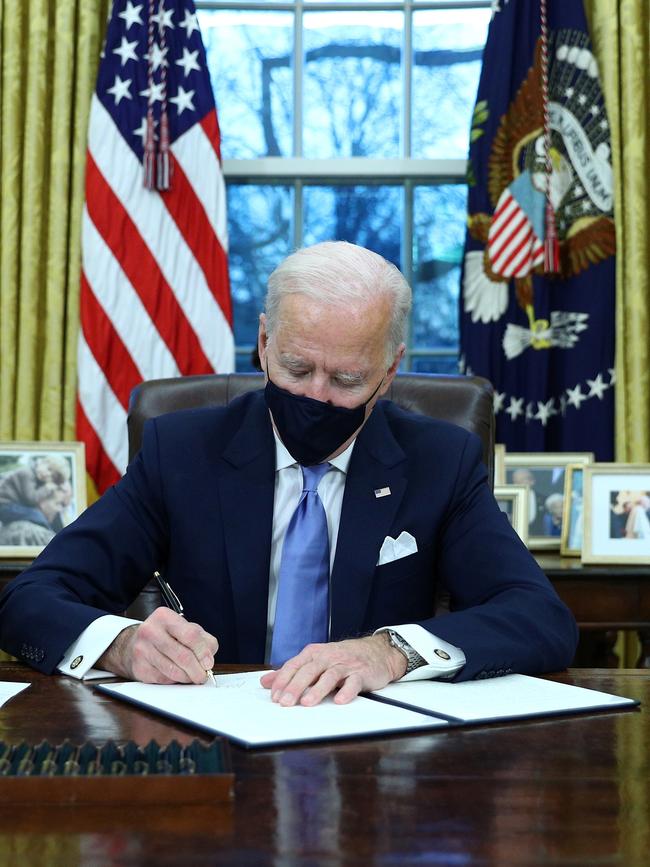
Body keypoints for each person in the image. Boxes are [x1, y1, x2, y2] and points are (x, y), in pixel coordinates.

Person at [0, 242, 578, 706]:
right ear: (263, 341)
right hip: (216, 744)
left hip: (376, 754)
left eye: (347, 379)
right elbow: (31, 599)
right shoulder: (182, 451)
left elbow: (539, 617)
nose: (316, 396)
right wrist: (122, 646)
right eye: (296, 368)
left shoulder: (438, 461)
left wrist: (392, 652)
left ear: (391, 368)